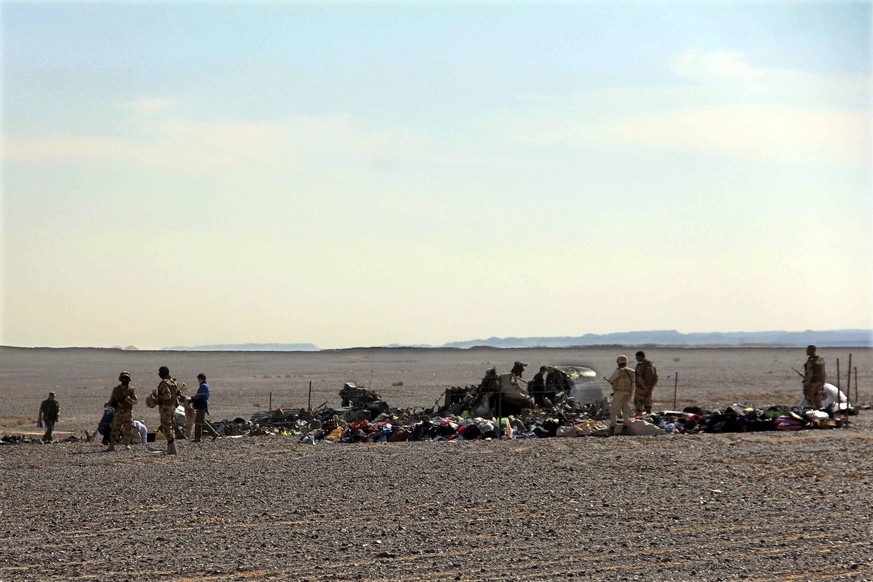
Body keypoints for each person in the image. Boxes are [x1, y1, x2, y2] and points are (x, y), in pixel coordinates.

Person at [105, 371, 138, 451]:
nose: (124, 380)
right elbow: (112, 399)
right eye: (123, 378)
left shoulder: (131, 390)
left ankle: (127, 444)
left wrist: (129, 399)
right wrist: (108, 404)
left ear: (128, 379)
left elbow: (135, 401)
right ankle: (112, 445)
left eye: (126, 378)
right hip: (118, 412)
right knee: (115, 428)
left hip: (127, 412)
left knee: (128, 428)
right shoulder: (116, 389)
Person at [607, 355, 636, 436]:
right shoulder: (632, 372)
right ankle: (625, 428)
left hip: (619, 392)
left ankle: (612, 429)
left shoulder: (619, 371)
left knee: (614, 411)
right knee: (625, 411)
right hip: (628, 393)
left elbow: (611, 379)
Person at [154, 366, 179, 454]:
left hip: (166, 408)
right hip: (172, 407)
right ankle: (170, 448)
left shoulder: (164, 383)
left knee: (166, 427)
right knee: (170, 426)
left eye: (160, 372)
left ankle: (172, 447)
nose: (158, 374)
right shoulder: (173, 382)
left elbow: (167, 396)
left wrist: (157, 397)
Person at [191, 373, 220, 442]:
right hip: (200, 405)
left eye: (198, 379)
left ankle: (214, 433)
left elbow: (199, 396)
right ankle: (197, 438)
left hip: (202, 405)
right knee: (197, 421)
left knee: (201, 421)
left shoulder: (204, 386)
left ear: (200, 379)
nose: (198, 381)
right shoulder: (205, 385)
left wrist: (193, 398)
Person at [633, 351, 659, 416]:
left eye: (637, 357)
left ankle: (639, 418)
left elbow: (639, 378)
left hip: (641, 388)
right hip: (650, 388)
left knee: (638, 403)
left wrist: (645, 387)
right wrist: (651, 387)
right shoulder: (652, 365)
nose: (636, 358)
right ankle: (649, 417)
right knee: (648, 404)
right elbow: (656, 377)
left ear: (641, 357)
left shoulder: (640, 366)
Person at [802, 345, 827, 409]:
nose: (806, 351)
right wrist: (823, 382)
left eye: (808, 350)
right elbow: (823, 372)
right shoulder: (821, 360)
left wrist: (806, 385)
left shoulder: (810, 362)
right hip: (819, 382)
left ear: (812, 351)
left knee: (810, 400)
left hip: (812, 383)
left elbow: (809, 375)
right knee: (818, 400)